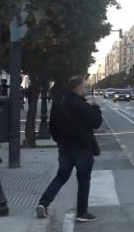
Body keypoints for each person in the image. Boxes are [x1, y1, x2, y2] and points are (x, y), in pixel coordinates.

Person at [37, 76, 103, 222]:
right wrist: (97, 108)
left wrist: (60, 141)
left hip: (65, 148)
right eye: (84, 87)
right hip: (82, 149)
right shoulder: (83, 105)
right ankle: (82, 212)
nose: (85, 89)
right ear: (78, 88)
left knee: (61, 176)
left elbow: (52, 128)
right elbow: (96, 122)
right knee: (84, 180)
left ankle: (43, 203)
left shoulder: (59, 104)